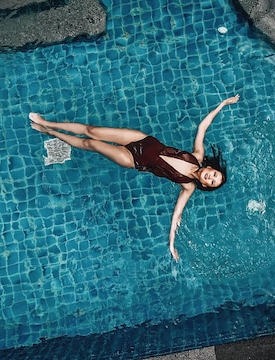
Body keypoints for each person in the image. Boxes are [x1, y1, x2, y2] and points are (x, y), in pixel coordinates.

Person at [29, 95, 240, 261]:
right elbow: (203, 127)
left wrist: (171, 244)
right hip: (143, 140)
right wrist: (223, 105)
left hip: (133, 159)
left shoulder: (187, 186)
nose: (210, 176)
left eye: (212, 181)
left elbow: (177, 216)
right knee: (91, 130)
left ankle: (50, 132)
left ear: (204, 185)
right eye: (214, 174)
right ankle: (48, 122)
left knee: (90, 144)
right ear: (210, 168)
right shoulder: (197, 156)